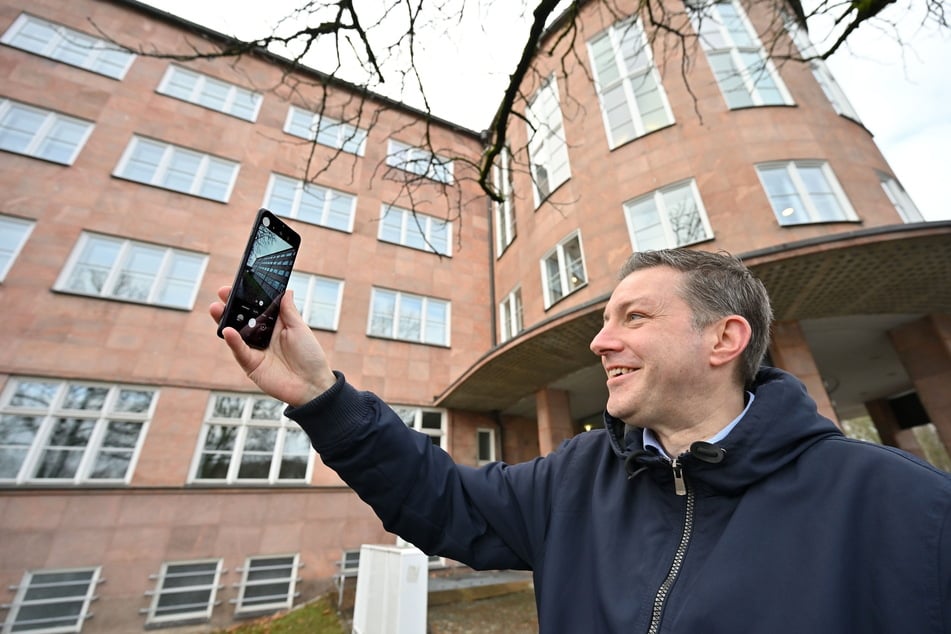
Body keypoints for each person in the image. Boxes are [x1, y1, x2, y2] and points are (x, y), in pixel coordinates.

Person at [210, 248, 951, 633]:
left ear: (724, 338)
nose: (600, 341)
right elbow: (437, 500)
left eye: (633, 318)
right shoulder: (577, 476)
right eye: (605, 320)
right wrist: (319, 396)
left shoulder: (902, 504)